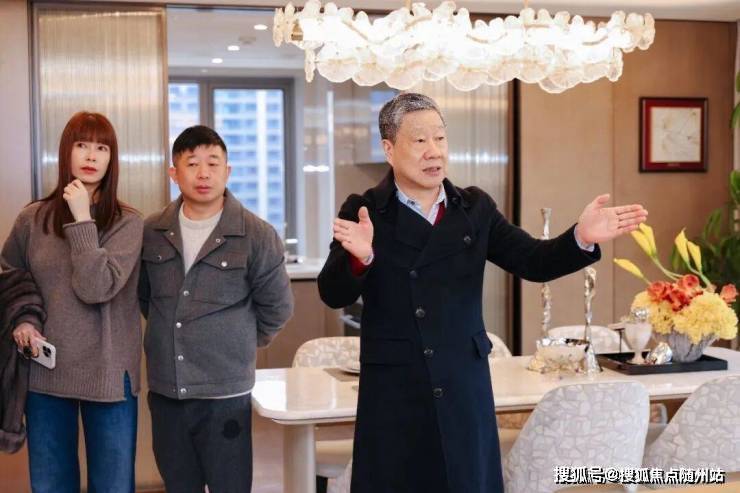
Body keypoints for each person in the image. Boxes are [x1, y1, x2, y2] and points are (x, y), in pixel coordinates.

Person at [317, 93, 648, 493]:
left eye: (440, 138)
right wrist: (361, 258)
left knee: (467, 479)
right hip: (396, 388)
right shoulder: (365, 210)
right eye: (419, 140)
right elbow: (332, 292)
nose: (433, 151)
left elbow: (534, 261)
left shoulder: (474, 208)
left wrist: (580, 236)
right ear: (389, 149)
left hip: (463, 382)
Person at [138, 125, 294, 493]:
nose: (204, 173)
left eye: (213, 163)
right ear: (174, 173)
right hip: (168, 390)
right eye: (192, 164)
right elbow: (146, 298)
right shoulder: (151, 231)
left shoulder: (256, 234)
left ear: (228, 171)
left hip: (226, 396)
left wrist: (237, 340)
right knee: (179, 485)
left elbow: (278, 307)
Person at [2, 111, 143, 493]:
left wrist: (82, 220)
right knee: (51, 485)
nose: (91, 155)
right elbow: (11, 275)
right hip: (45, 373)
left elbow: (96, 288)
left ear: (112, 159)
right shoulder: (32, 219)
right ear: (66, 151)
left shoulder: (128, 223)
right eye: (82, 145)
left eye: (102, 148)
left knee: (113, 486)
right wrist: (24, 320)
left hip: (109, 374)